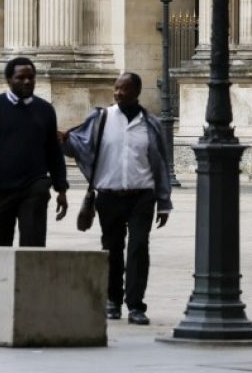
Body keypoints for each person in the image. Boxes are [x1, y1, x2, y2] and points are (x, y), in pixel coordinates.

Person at [63, 72, 172, 325]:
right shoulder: (102, 118)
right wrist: (65, 142)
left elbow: (160, 165)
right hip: (109, 195)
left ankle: (136, 305)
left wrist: (164, 202)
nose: (118, 93)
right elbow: (80, 145)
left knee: (138, 248)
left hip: (142, 196)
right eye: (116, 88)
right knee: (112, 249)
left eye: (123, 89)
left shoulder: (151, 123)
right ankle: (112, 300)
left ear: (137, 91)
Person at [0, 56, 68, 247]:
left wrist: (61, 187)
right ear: (9, 80)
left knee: (33, 247)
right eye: (21, 77)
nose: (27, 81)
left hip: (34, 188)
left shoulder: (45, 110)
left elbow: (54, 152)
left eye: (31, 77)